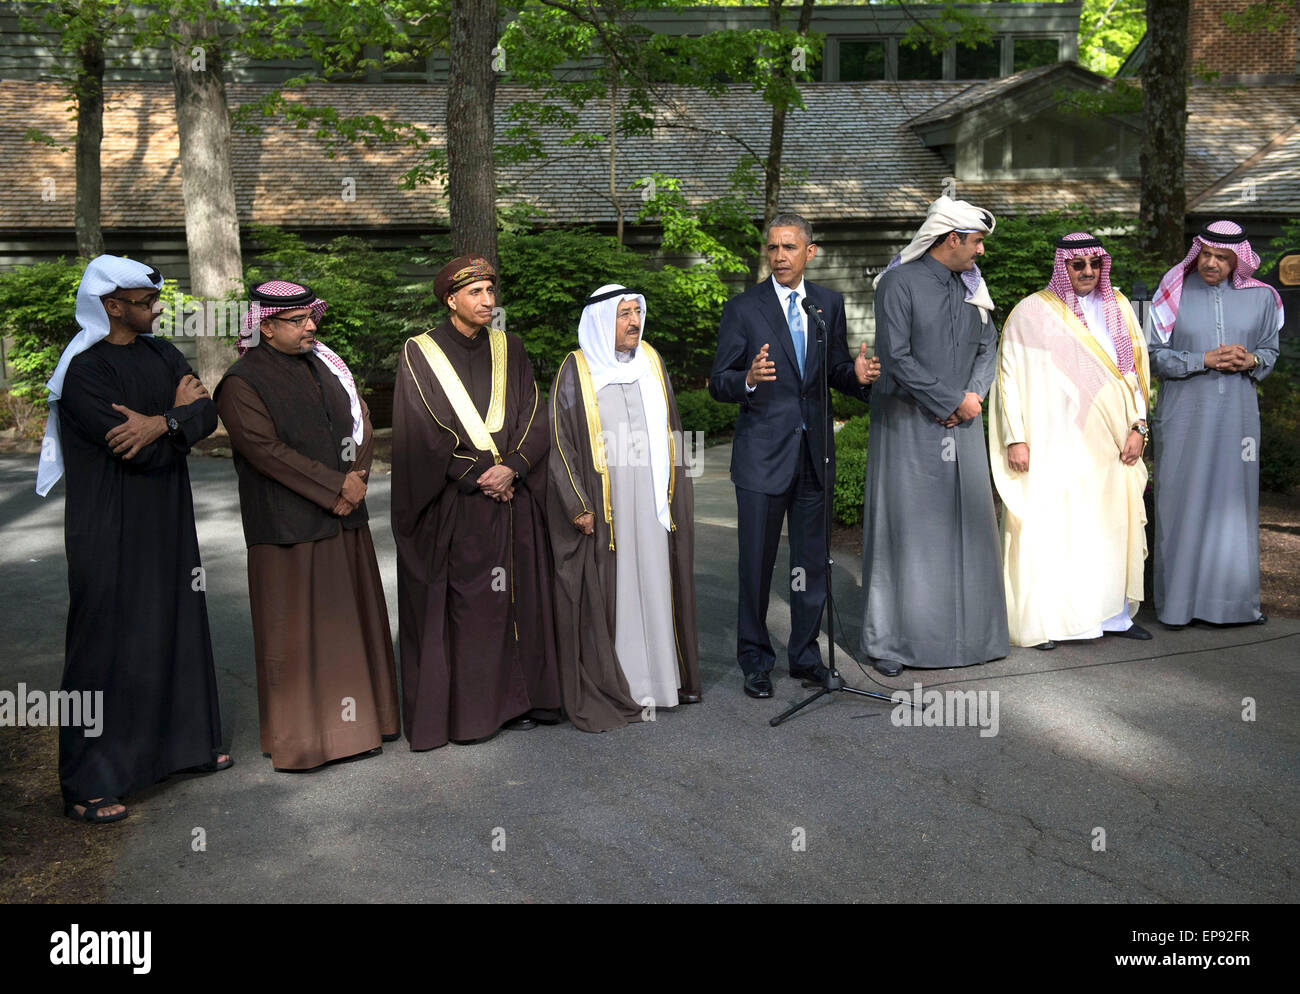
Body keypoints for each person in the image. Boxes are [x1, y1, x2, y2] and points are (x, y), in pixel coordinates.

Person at [35, 255, 229, 823]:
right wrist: (175, 418)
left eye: (154, 300)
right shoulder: (85, 370)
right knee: (105, 643)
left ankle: (183, 749)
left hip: (167, 517)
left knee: (173, 624)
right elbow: (132, 451)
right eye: (145, 303)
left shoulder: (162, 352)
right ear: (110, 306)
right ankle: (88, 780)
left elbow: (206, 414)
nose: (157, 309)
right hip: (109, 524)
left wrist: (164, 421)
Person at [214, 280, 401, 770]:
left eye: (310, 317)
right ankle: (306, 741)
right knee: (296, 636)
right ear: (266, 326)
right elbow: (265, 451)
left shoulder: (327, 366)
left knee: (347, 625)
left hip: (344, 516)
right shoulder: (241, 382)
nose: (311, 327)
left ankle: (360, 728)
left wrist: (357, 477)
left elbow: (360, 420)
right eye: (297, 321)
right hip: (287, 527)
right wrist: (334, 488)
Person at [391, 256, 563, 747]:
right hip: (460, 504)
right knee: (472, 608)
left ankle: (522, 700)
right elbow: (422, 430)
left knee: (518, 600)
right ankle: (474, 713)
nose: (488, 301)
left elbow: (534, 412)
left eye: (491, 291)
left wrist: (514, 468)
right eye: (476, 293)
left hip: (514, 498)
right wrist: (479, 475)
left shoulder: (512, 347)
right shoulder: (419, 353)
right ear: (451, 299)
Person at [709, 214, 879, 700]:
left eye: (789, 247)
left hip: (814, 457)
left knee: (810, 563)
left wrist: (859, 376)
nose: (779, 256)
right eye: (772, 248)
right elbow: (719, 380)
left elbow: (835, 371)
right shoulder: (744, 308)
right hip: (763, 458)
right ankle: (755, 660)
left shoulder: (827, 304)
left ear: (811, 252)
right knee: (756, 564)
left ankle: (805, 657)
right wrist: (746, 380)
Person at [860, 195, 1009, 676]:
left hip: (962, 424)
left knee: (963, 530)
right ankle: (895, 645)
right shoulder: (897, 283)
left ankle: (971, 640)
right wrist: (950, 400)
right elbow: (897, 357)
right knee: (911, 533)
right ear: (951, 239)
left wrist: (972, 396)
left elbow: (989, 346)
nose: (980, 253)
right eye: (977, 242)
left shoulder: (972, 285)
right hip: (908, 426)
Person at [548, 285, 701, 730]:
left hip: (652, 502)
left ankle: (664, 683)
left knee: (655, 580)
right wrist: (577, 502)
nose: (634, 322)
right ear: (600, 321)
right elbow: (560, 442)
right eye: (623, 315)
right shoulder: (576, 370)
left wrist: (678, 491)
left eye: (637, 312)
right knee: (616, 588)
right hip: (606, 505)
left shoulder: (652, 360)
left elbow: (672, 428)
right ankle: (623, 685)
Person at [989, 233, 1152, 650]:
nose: (1087, 272)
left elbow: (1136, 373)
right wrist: (1016, 439)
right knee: (1057, 530)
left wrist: (1139, 428)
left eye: (1094, 264)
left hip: (1112, 443)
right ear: (1063, 266)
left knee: (1110, 528)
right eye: (1077, 265)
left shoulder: (1118, 308)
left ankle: (1113, 616)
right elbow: (1008, 378)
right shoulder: (1031, 312)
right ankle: (1053, 623)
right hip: (1054, 443)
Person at [1147, 220, 1282, 628]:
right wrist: (1199, 360)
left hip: (1238, 418)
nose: (1211, 263)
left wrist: (1252, 361)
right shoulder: (1174, 292)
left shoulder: (1261, 298)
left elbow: (1270, 351)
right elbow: (1152, 355)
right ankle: (1178, 608)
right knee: (1179, 502)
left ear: (1238, 260)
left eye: (1222, 258)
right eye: (1205, 254)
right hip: (1183, 415)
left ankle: (1233, 605)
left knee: (1233, 504)